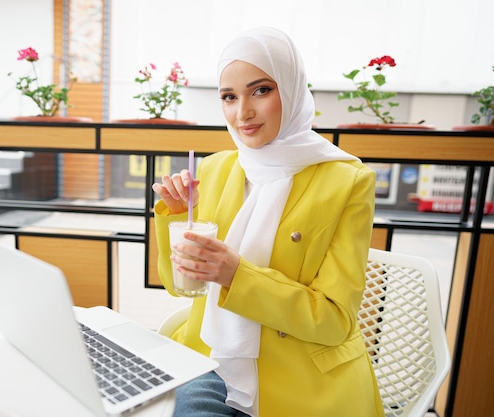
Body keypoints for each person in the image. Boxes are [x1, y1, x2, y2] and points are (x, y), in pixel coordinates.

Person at [151, 27, 384, 417]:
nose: (242, 112)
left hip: (302, 379)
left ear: (291, 89)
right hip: (214, 362)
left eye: (261, 90)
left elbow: (334, 320)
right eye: (229, 97)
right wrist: (177, 214)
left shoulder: (347, 182)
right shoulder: (215, 169)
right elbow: (181, 289)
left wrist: (236, 275)